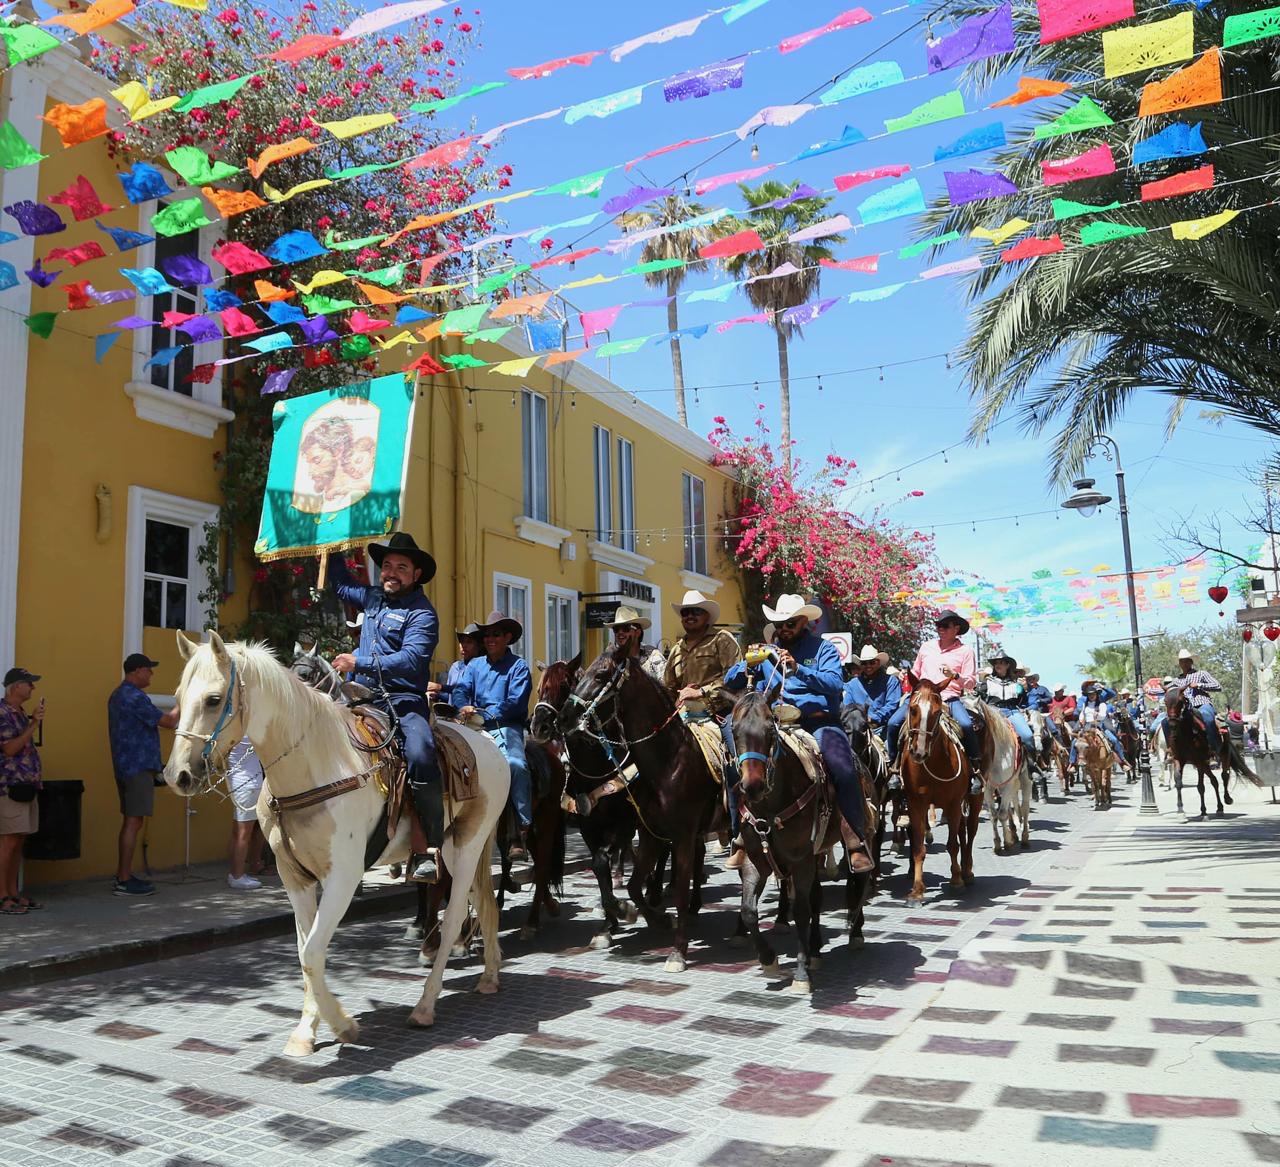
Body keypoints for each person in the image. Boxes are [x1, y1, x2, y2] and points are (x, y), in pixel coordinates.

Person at [724, 595, 875, 875]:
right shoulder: (768, 651)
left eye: (790, 623)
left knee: (843, 767)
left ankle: (855, 840)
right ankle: (740, 835)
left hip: (818, 723)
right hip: (775, 725)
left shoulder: (823, 649)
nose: (784, 628)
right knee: (737, 765)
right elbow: (729, 681)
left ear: (805, 621)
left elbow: (834, 683)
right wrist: (746, 663)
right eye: (779, 624)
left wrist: (799, 669)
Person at [329, 532, 442, 882]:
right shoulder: (373, 598)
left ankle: (426, 847)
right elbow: (339, 584)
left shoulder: (423, 614)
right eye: (387, 566)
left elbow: (410, 660)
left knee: (421, 753)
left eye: (401, 567)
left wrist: (358, 660)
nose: (392, 572)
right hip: (359, 697)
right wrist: (330, 540)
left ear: (417, 574)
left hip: (403, 701)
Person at [455, 610, 533, 860]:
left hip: (506, 726)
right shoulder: (475, 665)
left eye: (495, 634)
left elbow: (515, 703)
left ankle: (521, 827)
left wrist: (481, 713)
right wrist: (461, 705)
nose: (489, 639)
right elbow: (460, 690)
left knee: (515, 765)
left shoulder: (519, 667)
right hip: (473, 725)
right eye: (486, 634)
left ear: (508, 637)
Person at [107, 653, 180, 897]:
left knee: (132, 819)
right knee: (133, 821)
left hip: (130, 766)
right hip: (136, 768)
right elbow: (169, 721)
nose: (151, 673)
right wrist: (186, 700)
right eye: (149, 669)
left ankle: (123, 875)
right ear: (137, 670)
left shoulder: (120, 695)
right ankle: (124, 879)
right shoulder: (133, 696)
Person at [885, 610, 981, 794]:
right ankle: (894, 768)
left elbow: (971, 682)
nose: (940, 629)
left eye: (945, 626)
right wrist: (908, 675)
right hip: (921, 697)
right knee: (893, 723)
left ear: (956, 628)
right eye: (938, 626)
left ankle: (975, 771)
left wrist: (955, 676)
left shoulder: (966, 651)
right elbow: (917, 672)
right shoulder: (926, 647)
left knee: (967, 726)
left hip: (949, 698)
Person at [1, 667, 44, 915]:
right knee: (8, 841)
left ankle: (13, 892)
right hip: (9, 786)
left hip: (25, 785)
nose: (32, 688)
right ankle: (2, 896)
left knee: (19, 839)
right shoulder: (2, 712)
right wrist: (34, 725)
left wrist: (31, 721)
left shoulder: (19, 712)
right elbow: (10, 749)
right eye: (29, 683)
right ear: (16, 686)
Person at [664, 589, 742, 715]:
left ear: (707, 616)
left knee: (735, 734)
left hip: (720, 710)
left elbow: (733, 677)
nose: (690, 616)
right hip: (684, 712)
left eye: (696, 611)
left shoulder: (722, 639)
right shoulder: (676, 650)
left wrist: (702, 692)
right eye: (685, 613)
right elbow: (669, 688)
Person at [979, 651, 1038, 762]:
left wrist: (1024, 690)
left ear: (1007, 665)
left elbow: (1022, 702)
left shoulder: (1016, 684)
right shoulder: (986, 683)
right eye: (996, 663)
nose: (998, 665)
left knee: (1027, 736)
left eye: (1001, 662)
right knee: (978, 734)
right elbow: (980, 699)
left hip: (1012, 711)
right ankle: (975, 767)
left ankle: (1032, 765)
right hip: (992, 712)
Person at [226, 737, 266, 891]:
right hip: (249, 784)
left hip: (240, 783)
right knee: (243, 835)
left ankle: (235, 873)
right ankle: (237, 876)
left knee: (238, 833)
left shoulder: (234, 733)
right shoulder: (248, 735)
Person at [842, 644, 902, 743]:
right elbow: (847, 707)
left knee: (890, 752)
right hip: (857, 730)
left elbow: (892, 706)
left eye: (872, 662)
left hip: (883, 729)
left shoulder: (891, 681)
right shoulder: (852, 684)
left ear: (878, 663)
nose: (868, 666)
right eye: (864, 663)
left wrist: (872, 718)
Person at [1174, 648, 1224, 754]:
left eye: (1186, 660)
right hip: (1185, 708)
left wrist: (1199, 685)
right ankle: (1173, 750)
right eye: (1182, 661)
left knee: (1207, 717)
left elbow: (1218, 686)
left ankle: (1213, 748)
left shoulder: (1201, 674)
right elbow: (1164, 689)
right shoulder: (1177, 680)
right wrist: (1147, 690)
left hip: (1201, 704)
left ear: (1191, 662)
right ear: (1179, 663)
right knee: (1167, 722)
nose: (1184, 663)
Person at [1068, 684, 1126, 772]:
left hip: (1098, 726)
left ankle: (1122, 761)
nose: (1091, 696)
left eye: (1093, 694)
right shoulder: (1085, 705)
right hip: (1086, 727)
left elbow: (1102, 716)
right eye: (1090, 695)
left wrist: (1097, 715)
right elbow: (1082, 714)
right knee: (1075, 742)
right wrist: (1081, 719)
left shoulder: (1101, 704)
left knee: (1113, 739)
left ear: (1096, 695)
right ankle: (1072, 763)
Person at [604, 606, 667, 682]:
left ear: (637, 632)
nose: (620, 632)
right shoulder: (611, 659)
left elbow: (666, 686)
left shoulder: (653, 656)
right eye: (616, 629)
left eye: (625, 628)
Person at [428, 624, 482, 705]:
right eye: (462, 642)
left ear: (479, 646)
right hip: (454, 716)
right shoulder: (455, 667)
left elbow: (469, 693)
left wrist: (441, 687)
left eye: (469, 642)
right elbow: (451, 698)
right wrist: (437, 696)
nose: (464, 646)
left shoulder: (482, 668)